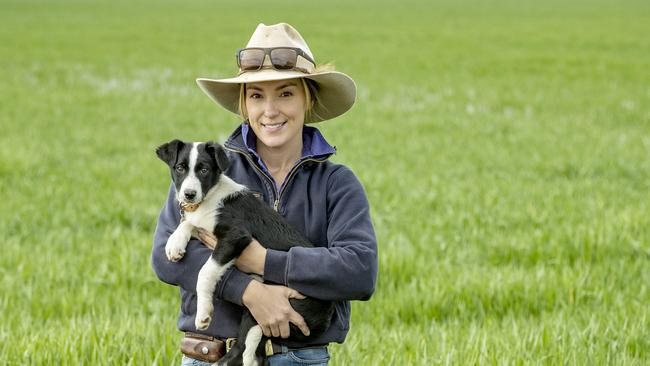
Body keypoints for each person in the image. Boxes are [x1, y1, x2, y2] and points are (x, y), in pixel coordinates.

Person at [152, 23, 378, 366]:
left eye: (285, 93)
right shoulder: (207, 174)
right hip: (209, 355)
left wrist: (263, 261)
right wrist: (249, 290)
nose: (270, 110)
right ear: (244, 104)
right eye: (256, 95)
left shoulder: (336, 184)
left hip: (299, 358)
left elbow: (359, 271)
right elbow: (165, 257)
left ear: (308, 98)